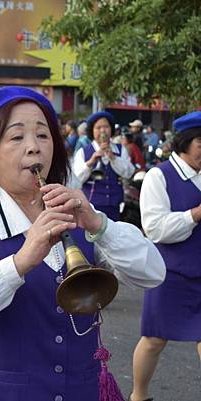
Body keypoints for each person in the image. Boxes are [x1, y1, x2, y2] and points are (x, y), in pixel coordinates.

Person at [0, 87, 165, 401]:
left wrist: (98, 224)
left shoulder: (77, 213)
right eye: (16, 138)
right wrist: (20, 261)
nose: (34, 148)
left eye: (43, 135)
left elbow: (153, 272)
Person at [130, 111, 201, 401]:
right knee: (154, 339)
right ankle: (139, 395)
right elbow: (155, 229)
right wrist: (195, 215)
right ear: (185, 142)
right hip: (170, 272)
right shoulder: (159, 176)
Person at [72, 111, 135, 220]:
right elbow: (75, 181)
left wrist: (113, 158)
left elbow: (129, 173)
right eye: (98, 127)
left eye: (106, 127)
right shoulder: (83, 152)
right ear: (92, 131)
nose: (102, 131)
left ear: (111, 129)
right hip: (91, 207)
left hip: (115, 206)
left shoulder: (120, 150)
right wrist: (91, 161)